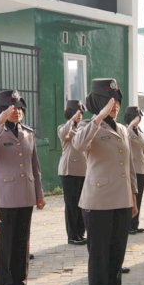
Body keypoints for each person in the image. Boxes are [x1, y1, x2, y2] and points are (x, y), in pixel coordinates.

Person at [72, 78, 138, 285]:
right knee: (99, 259)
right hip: (97, 203)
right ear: (99, 103)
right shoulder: (90, 127)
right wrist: (98, 117)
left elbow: (129, 166)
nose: (115, 105)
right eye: (110, 101)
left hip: (121, 201)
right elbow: (78, 145)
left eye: (118, 101)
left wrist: (132, 196)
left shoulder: (122, 129)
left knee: (116, 259)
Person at [0, 90, 45, 285]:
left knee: (22, 242)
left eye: (20, 108)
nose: (17, 112)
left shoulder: (28, 133)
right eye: (12, 108)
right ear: (3, 110)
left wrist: (39, 194)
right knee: (5, 245)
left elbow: (35, 167)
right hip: (5, 197)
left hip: (26, 194)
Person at [58, 100, 88, 245]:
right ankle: (72, 235)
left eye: (81, 113)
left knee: (82, 204)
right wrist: (72, 120)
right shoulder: (64, 128)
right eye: (77, 113)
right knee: (71, 204)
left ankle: (81, 233)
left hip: (84, 171)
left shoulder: (83, 128)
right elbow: (64, 133)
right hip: (69, 171)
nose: (80, 115)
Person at [125, 106, 144, 235]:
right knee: (131, 198)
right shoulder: (126, 130)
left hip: (141, 169)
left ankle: (135, 224)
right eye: (137, 117)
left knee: (139, 198)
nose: (139, 120)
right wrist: (131, 125)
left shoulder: (139, 131)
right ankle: (129, 224)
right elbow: (126, 138)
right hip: (131, 169)